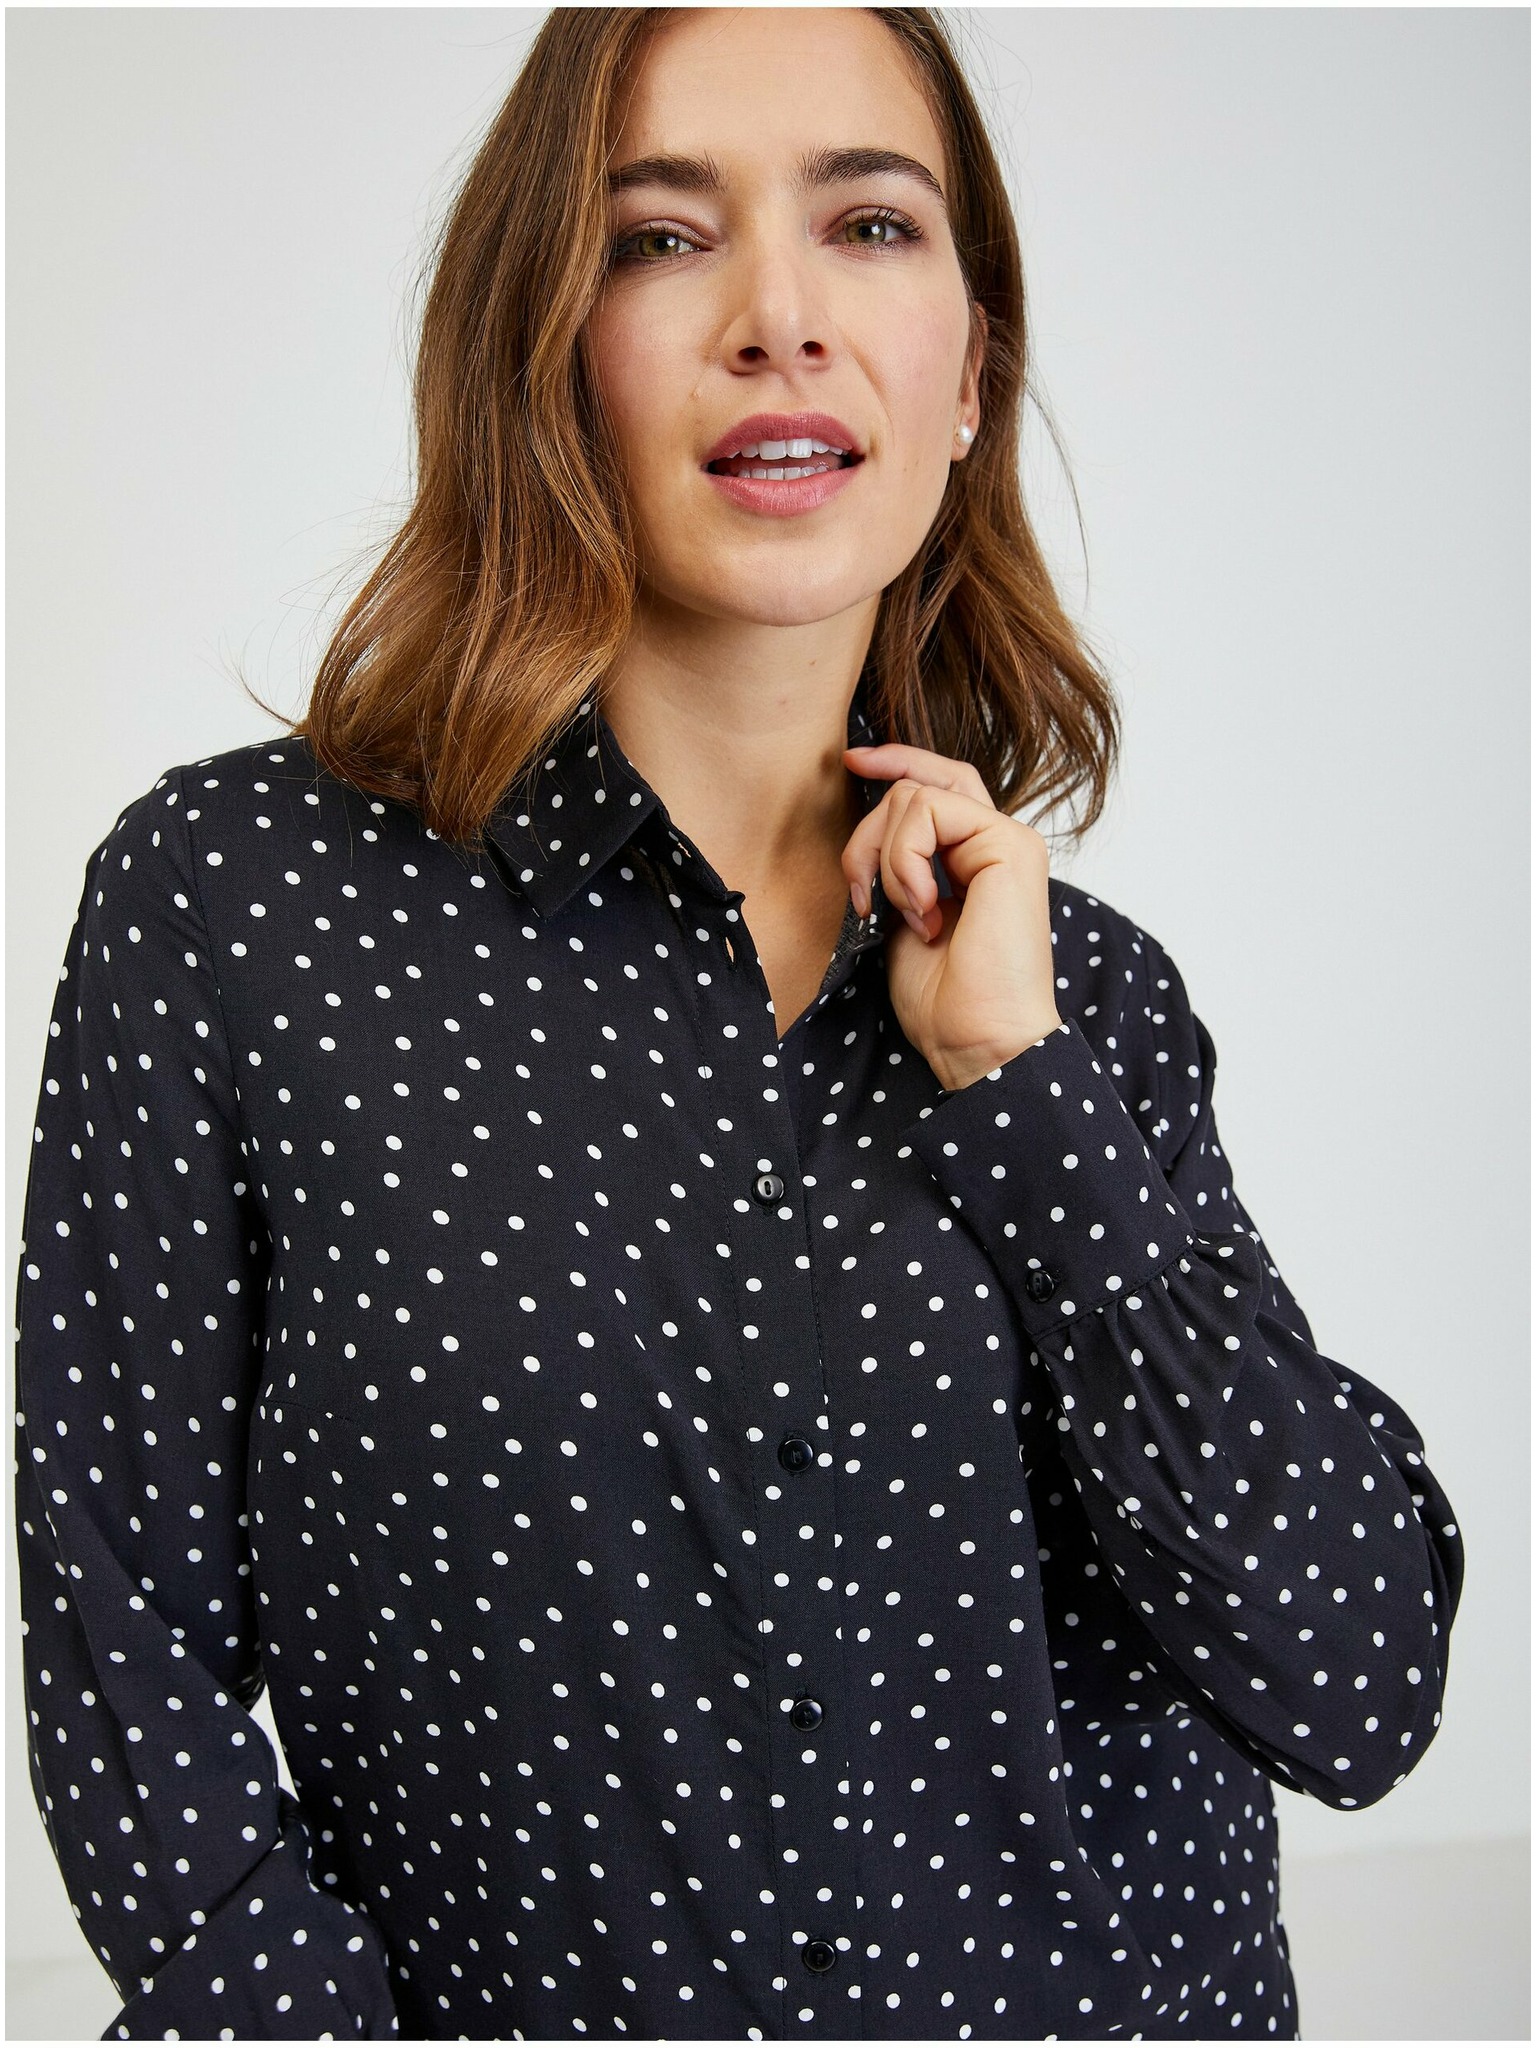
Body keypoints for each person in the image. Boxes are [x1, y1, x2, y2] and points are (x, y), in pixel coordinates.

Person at [14, 9, 1464, 2042]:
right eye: (661, 238)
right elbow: (123, 1648)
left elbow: (1358, 1681)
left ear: (969, 370)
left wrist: (1023, 1097)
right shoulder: (241, 910)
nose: (781, 318)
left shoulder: (1082, 1007)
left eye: (870, 225)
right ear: (542, 345)